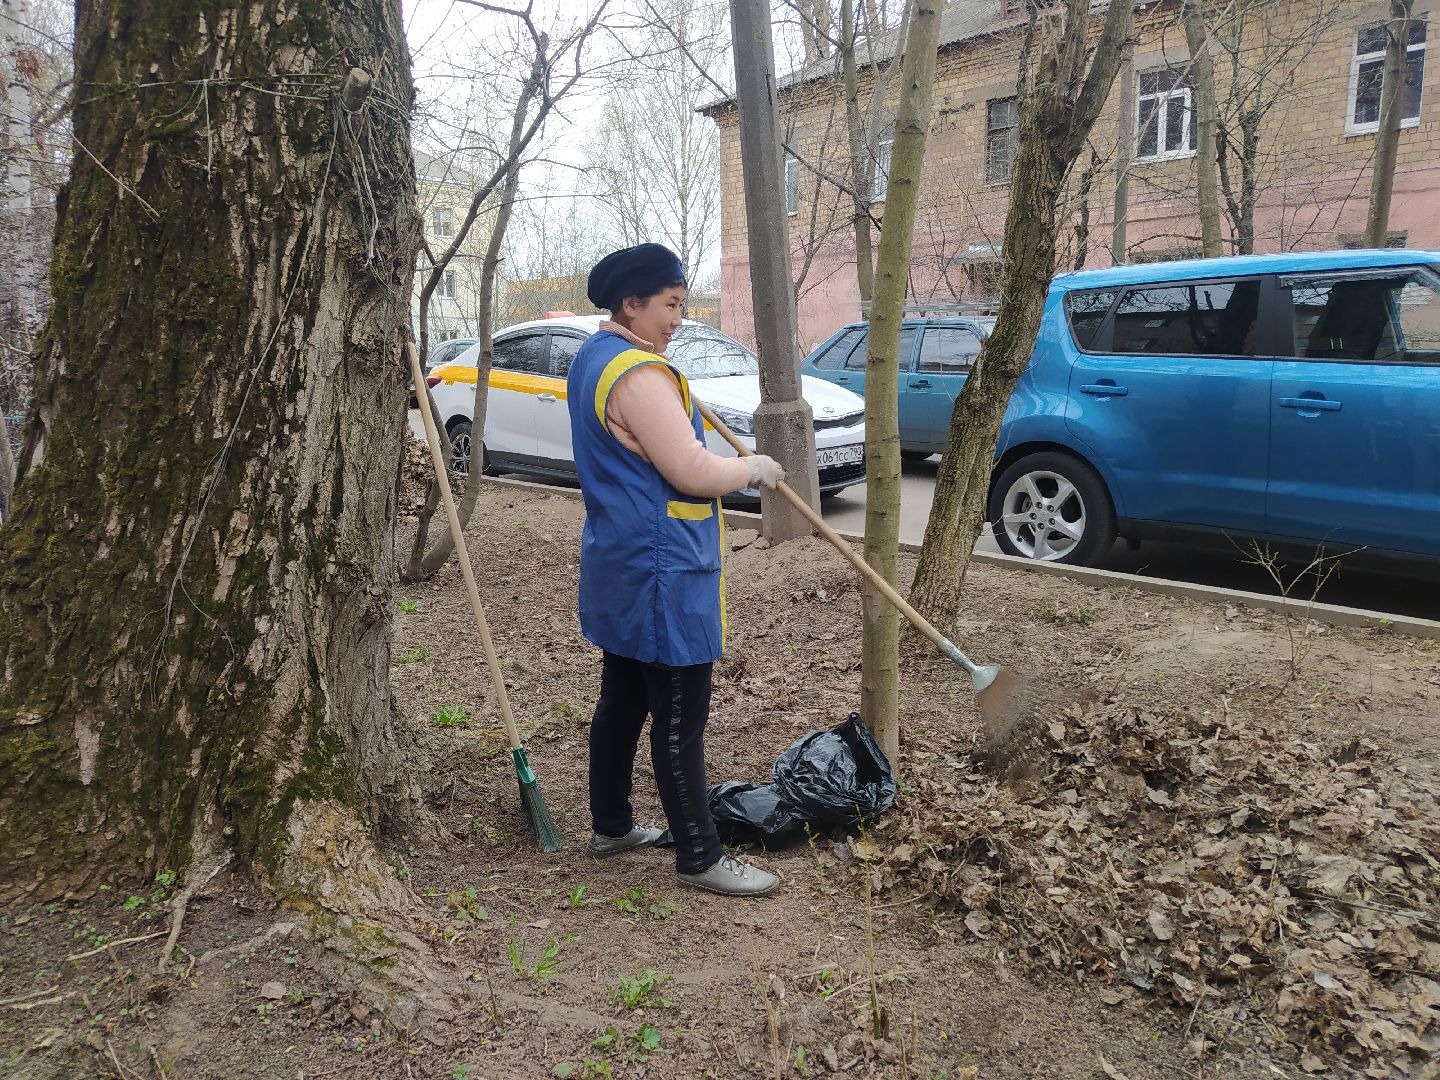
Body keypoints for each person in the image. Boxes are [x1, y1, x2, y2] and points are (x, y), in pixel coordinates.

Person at [566, 243, 785, 897]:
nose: (678, 319)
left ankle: (612, 826)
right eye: (670, 305)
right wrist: (752, 468)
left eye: (681, 305)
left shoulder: (595, 358)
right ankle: (700, 856)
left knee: (623, 700)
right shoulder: (637, 376)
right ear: (631, 304)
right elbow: (690, 470)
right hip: (663, 569)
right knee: (679, 715)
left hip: (623, 558)